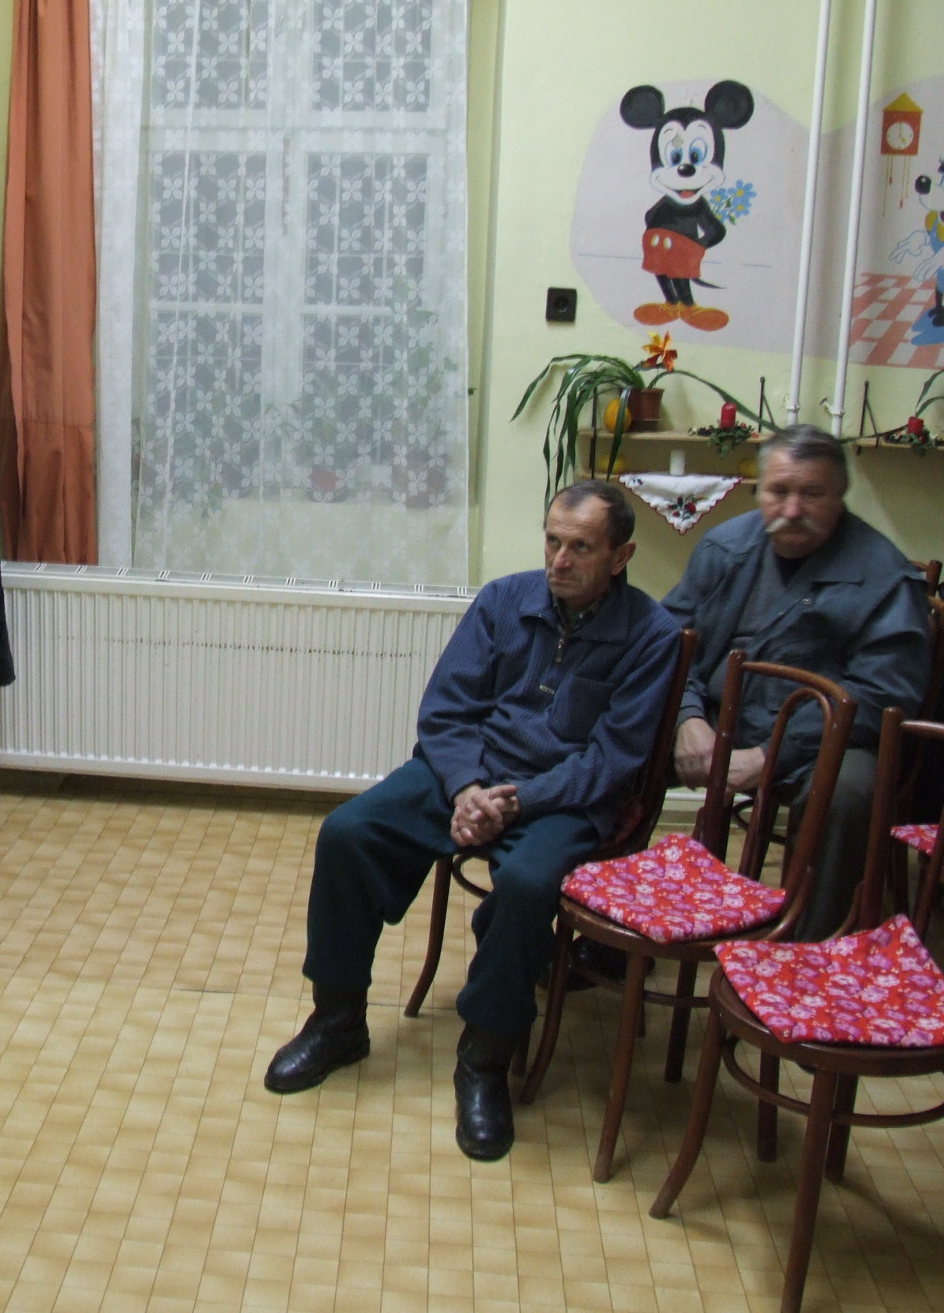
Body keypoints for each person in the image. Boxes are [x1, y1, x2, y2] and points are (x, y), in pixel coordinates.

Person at [264, 481, 683, 1161]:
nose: (560, 560)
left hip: (561, 798)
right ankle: (336, 1020)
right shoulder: (503, 600)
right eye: (553, 541)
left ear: (621, 556)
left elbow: (612, 761)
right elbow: (446, 710)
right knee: (347, 833)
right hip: (467, 774)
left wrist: (517, 801)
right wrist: (466, 788)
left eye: (581, 548)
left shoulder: (652, 635)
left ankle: (484, 1058)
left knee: (527, 884)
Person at [661, 424, 930, 939]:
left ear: (841, 494)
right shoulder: (725, 548)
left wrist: (769, 758)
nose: (792, 509)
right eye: (778, 491)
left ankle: (809, 947)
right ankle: (619, 925)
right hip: (720, 716)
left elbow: (884, 695)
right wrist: (687, 719)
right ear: (757, 490)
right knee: (620, 741)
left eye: (812, 493)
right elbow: (667, 641)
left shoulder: (885, 578)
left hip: (826, 738)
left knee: (848, 792)